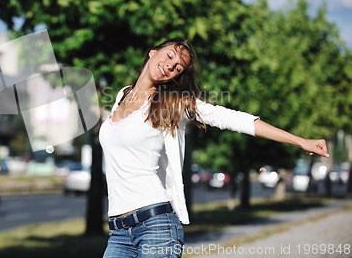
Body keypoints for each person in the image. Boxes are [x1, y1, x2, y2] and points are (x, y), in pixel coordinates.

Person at [99, 38, 329, 258]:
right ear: (152, 52)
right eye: (169, 56)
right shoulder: (122, 94)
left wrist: (300, 140)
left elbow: (230, 118)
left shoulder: (173, 102)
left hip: (155, 226)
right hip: (118, 232)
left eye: (178, 68)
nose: (170, 66)